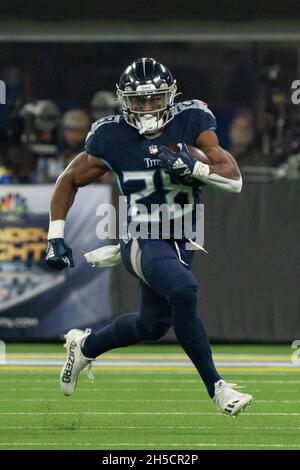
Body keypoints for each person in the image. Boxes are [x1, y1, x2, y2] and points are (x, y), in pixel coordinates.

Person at [45, 58, 253, 416]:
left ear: (170, 97)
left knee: (151, 324)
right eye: (139, 101)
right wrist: (55, 235)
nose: (147, 108)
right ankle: (218, 388)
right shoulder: (111, 136)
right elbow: (69, 179)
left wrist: (196, 167)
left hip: (182, 239)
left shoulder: (193, 122)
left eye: (155, 99)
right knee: (184, 290)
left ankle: (85, 346)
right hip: (141, 235)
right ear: (124, 101)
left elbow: (233, 179)